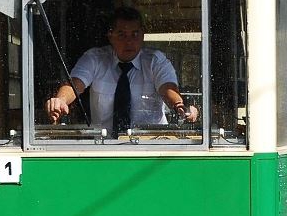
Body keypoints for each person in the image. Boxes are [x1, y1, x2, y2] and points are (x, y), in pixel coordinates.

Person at [44, 7, 199, 134]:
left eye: (135, 34)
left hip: (150, 145)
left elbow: (168, 89)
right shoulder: (94, 58)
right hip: (104, 147)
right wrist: (60, 101)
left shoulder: (155, 61)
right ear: (110, 35)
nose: (129, 41)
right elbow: (75, 84)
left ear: (143, 35)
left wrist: (179, 106)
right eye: (122, 34)